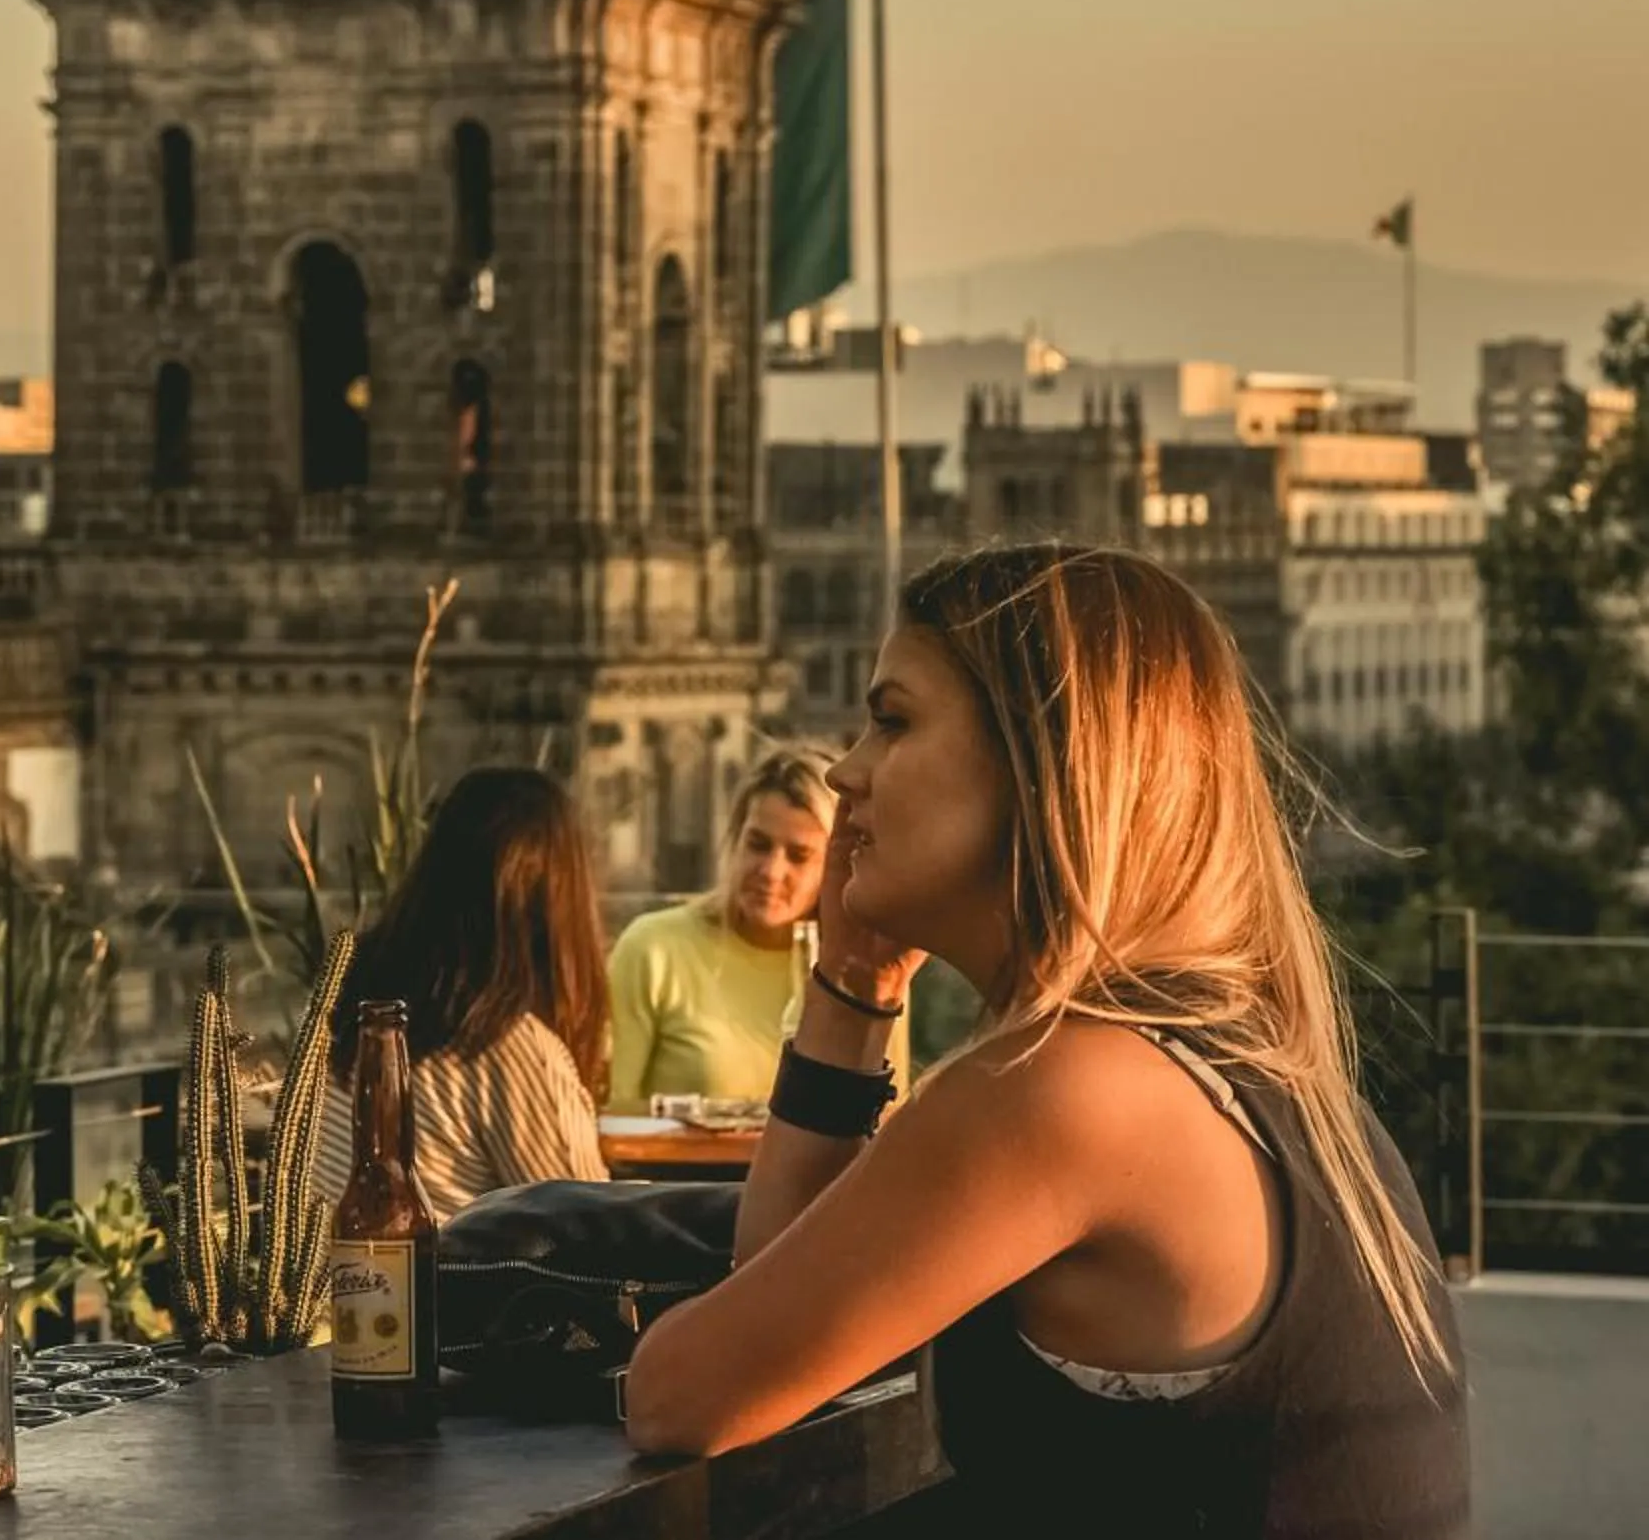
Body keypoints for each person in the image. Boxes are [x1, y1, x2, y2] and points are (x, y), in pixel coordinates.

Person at [622, 544, 1469, 1537]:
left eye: (892, 720)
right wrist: (854, 986)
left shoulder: (1069, 1089)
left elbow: (680, 1395)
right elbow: (782, 1315)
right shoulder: (1222, 1057)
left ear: (1040, 759)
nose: (845, 771)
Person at [311, 767, 611, 1219]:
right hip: (425, 1287)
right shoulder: (505, 1045)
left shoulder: (350, 1000)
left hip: (322, 1285)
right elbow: (594, 1232)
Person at [605, 748, 832, 1102]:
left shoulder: (862, 975)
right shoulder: (653, 949)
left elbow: (883, 1127)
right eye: (758, 845)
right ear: (734, 840)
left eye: (798, 856)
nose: (771, 872)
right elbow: (609, 1112)